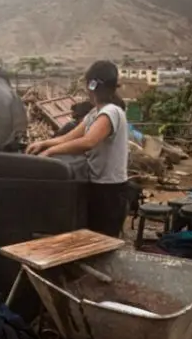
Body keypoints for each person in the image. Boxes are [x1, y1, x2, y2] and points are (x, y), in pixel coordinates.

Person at [25, 60, 132, 237]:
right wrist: (44, 144)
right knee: (93, 239)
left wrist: (51, 152)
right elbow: (71, 136)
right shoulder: (95, 113)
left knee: (103, 243)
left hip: (110, 191)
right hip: (98, 186)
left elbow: (88, 141)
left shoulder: (111, 112)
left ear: (92, 85)